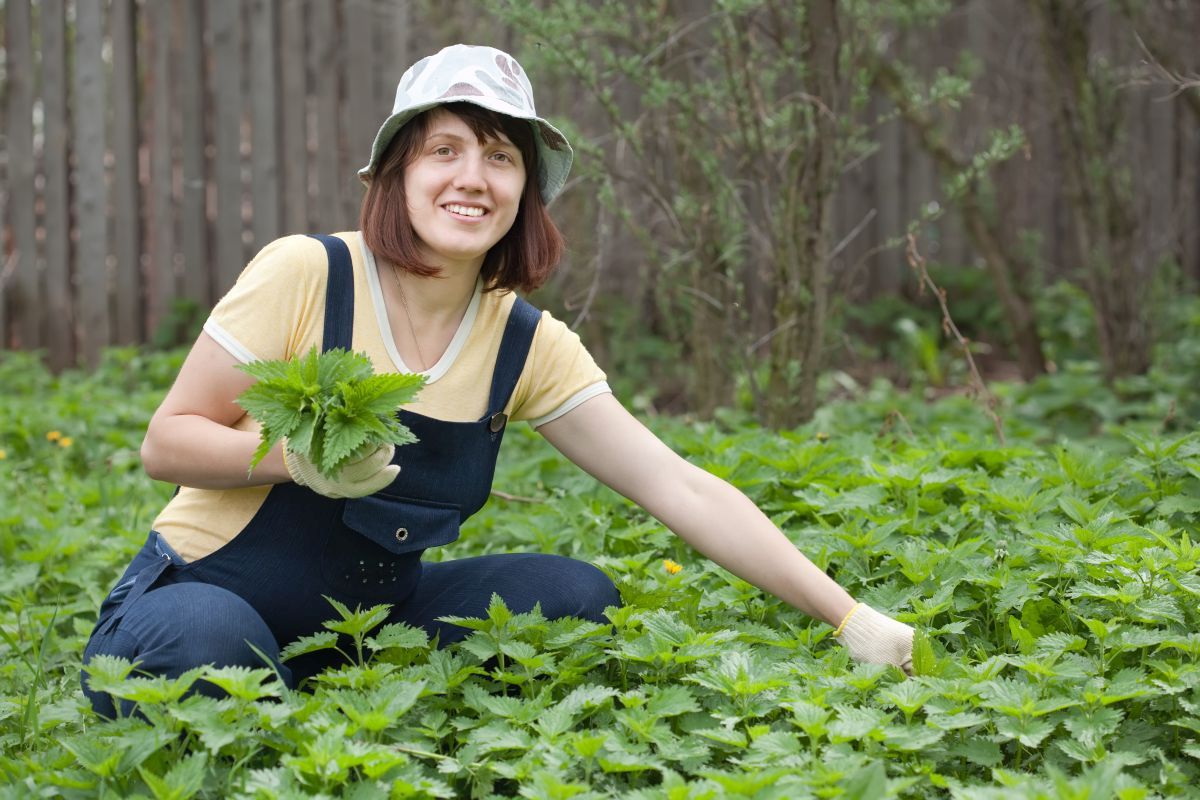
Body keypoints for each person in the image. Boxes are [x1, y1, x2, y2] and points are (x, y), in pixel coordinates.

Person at [82, 44, 913, 717]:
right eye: (444, 149)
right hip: (200, 597)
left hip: (367, 636)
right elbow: (168, 441)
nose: (472, 176)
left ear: (528, 191)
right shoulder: (310, 273)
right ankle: (254, 693)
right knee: (208, 645)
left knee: (575, 595)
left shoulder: (524, 342)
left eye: (500, 155)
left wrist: (848, 616)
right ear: (397, 174)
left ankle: (325, 699)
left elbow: (678, 486)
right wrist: (290, 461)